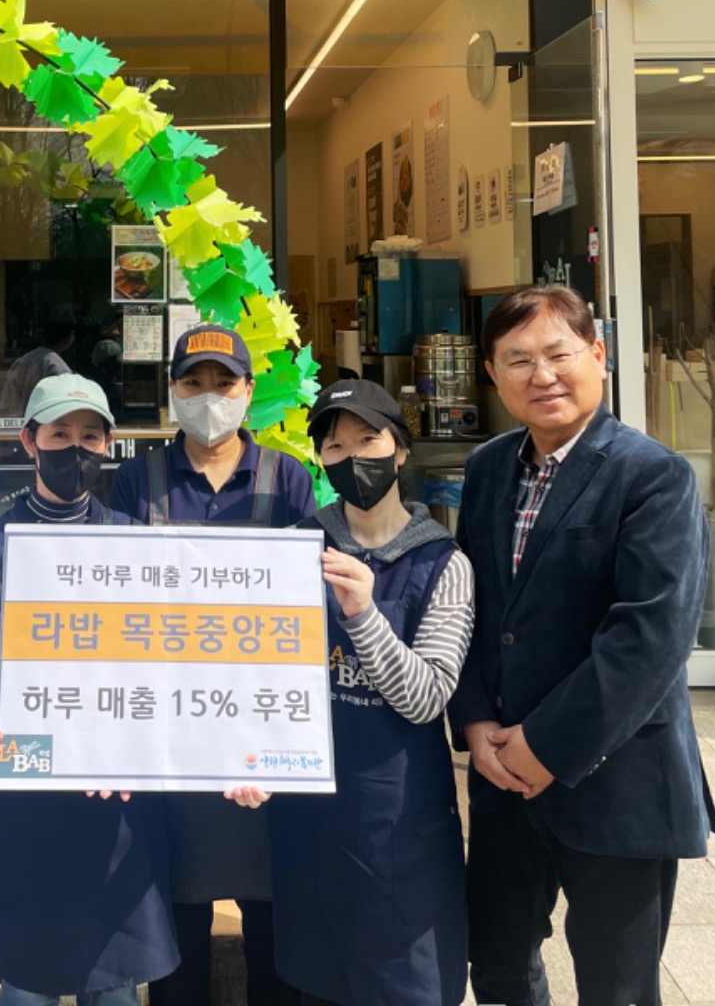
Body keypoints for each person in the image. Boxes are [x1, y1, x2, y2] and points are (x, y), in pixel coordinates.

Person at [451, 284, 715, 1006]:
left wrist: (543, 746)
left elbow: (649, 639)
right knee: (498, 967)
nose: (541, 376)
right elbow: (470, 606)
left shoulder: (652, 475)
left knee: (617, 985)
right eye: (517, 360)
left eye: (558, 354)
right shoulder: (487, 469)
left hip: (617, 776)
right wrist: (474, 722)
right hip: (501, 774)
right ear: (492, 374)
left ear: (598, 355)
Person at [0, 374, 178, 1006]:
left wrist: (139, 742)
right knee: (31, 978)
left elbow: (163, 663)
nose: (75, 449)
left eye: (89, 436)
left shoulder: (134, 541)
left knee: (116, 980)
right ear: (29, 441)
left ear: (108, 445)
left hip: (119, 792)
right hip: (31, 791)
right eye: (59, 434)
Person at [109, 324, 316, 1006]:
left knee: (274, 920)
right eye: (192, 383)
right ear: (172, 391)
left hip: (261, 733)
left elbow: (306, 612)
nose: (208, 397)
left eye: (223, 383)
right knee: (176, 922)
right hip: (169, 737)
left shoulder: (286, 479)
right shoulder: (136, 480)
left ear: (248, 391)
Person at [260, 378, 471, 1006]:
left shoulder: (444, 563)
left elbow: (427, 697)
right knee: (317, 978)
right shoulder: (294, 549)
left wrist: (362, 614)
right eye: (334, 446)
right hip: (309, 817)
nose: (352, 457)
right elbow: (260, 676)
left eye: (368, 439)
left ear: (400, 449)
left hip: (400, 822)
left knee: (404, 983)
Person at [0, 319, 77, 419]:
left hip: (14, 422)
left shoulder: (22, 361)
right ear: (70, 338)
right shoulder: (57, 366)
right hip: (40, 422)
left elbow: (6, 400)